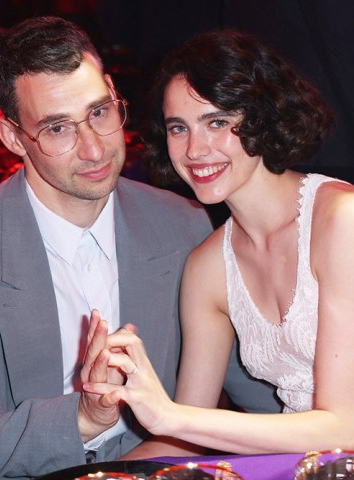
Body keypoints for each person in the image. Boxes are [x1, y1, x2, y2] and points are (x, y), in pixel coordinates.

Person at [84, 29, 354, 453]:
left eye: (218, 122)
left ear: (263, 117)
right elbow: (180, 440)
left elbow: (345, 429)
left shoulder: (342, 222)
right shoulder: (208, 266)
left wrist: (169, 413)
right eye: (178, 127)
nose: (195, 149)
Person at [0, 16, 215, 479]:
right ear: (12, 138)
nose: (95, 150)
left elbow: (253, 389)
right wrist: (84, 417)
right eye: (58, 128)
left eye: (100, 112)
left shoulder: (184, 225)